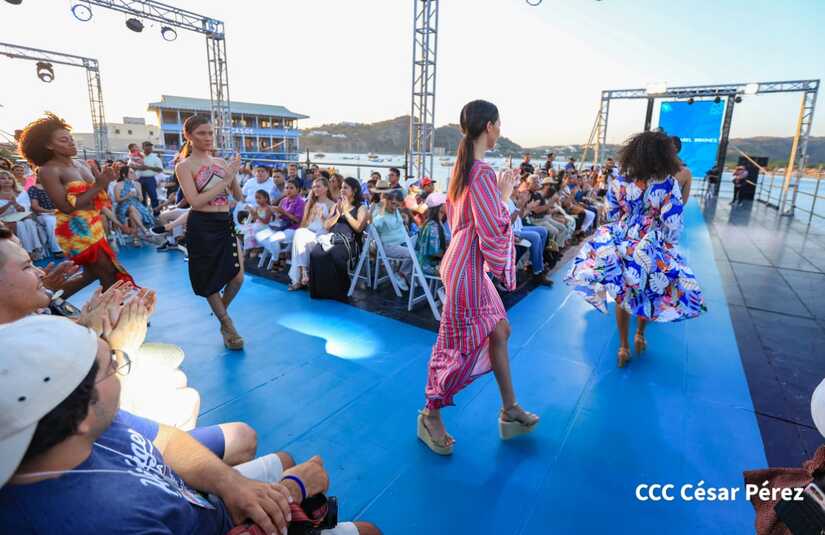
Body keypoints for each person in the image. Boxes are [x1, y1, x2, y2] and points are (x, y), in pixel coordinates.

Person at [0, 315, 380, 535]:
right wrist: (290, 491)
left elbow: (163, 440)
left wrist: (233, 485)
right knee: (368, 530)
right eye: (112, 366)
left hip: (201, 504)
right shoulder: (104, 521)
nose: (119, 370)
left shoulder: (66, 429)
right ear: (82, 413)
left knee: (283, 458)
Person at [418, 100, 539, 456]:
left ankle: (510, 408)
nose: (500, 130)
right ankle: (430, 414)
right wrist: (505, 197)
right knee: (458, 346)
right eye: (498, 124)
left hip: (462, 264)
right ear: (488, 126)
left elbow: (468, 224)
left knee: (500, 330)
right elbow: (491, 229)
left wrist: (499, 197)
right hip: (468, 269)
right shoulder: (482, 172)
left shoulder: (462, 170)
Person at [565, 130, 706, 368]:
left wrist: (625, 226)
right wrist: (667, 245)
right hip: (651, 242)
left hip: (623, 240)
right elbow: (673, 222)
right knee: (647, 292)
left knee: (623, 294)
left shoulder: (620, 182)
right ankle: (640, 334)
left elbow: (610, 214)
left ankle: (623, 347)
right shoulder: (668, 183)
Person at [18, 113, 134, 292]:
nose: (71, 143)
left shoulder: (81, 164)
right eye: (64, 140)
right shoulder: (48, 170)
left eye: (71, 138)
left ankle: (47, 298)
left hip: (94, 225)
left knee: (92, 273)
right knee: (109, 273)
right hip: (75, 229)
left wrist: (107, 179)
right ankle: (116, 308)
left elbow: (98, 196)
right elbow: (65, 207)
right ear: (48, 145)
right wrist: (99, 184)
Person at [175, 115, 245, 350]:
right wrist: (225, 179)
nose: (207, 138)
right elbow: (195, 202)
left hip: (224, 223)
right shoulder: (184, 166)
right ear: (188, 136)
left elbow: (238, 196)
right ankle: (227, 324)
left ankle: (221, 313)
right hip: (202, 225)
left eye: (210, 133)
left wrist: (233, 174)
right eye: (201, 133)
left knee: (237, 277)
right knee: (209, 279)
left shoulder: (220, 162)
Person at [308, 177, 368, 301]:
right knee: (315, 253)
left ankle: (341, 289)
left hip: (350, 242)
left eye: (345, 188)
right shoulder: (336, 205)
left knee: (334, 254)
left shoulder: (361, 207)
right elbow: (326, 226)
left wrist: (346, 212)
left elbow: (359, 228)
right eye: (341, 188)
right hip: (333, 238)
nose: (342, 190)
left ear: (354, 190)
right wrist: (337, 215)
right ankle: (320, 290)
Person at [288, 177, 334, 290]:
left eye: (318, 186)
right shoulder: (310, 203)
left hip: (322, 235)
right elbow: (305, 224)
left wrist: (322, 216)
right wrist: (311, 216)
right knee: (299, 233)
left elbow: (330, 227)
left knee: (299, 237)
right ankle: (304, 272)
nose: (315, 189)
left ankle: (298, 279)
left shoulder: (332, 204)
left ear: (326, 188)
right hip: (308, 233)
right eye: (313, 187)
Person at [371, 188, 412, 291]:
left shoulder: (395, 211)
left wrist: (403, 219)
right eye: (393, 204)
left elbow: (404, 192)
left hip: (399, 243)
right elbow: (374, 225)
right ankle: (401, 274)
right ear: (387, 200)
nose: (395, 207)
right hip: (387, 246)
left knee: (418, 250)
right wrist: (381, 211)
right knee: (412, 254)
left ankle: (406, 275)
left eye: (397, 205)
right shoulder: (380, 213)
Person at [0, 169, 43, 259]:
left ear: (13, 181)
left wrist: (16, 204)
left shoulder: (22, 193)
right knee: (20, 224)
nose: (7, 180)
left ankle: (35, 249)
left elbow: (25, 209)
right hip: (4, 220)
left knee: (28, 222)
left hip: (22, 217)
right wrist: (9, 204)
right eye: (3, 178)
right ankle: (27, 252)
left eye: (9, 178)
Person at [114, 165, 155, 244]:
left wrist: (138, 194)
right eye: (131, 172)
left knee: (132, 212)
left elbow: (141, 199)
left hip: (136, 205)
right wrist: (127, 196)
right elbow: (117, 200)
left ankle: (136, 237)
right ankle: (144, 230)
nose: (133, 174)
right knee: (131, 208)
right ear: (124, 174)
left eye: (133, 172)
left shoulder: (137, 184)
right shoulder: (118, 185)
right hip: (123, 206)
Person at [415, 191, 450, 277]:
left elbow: (445, 241)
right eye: (446, 203)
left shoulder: (438, 222)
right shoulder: (432, 226)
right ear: (440, 207)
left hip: (434, 262)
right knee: (455, 272)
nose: (448, 205)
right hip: (429, 265)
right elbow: (434, 252)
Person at [26, 175, 63, 257]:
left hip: (58, 211)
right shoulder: (33, 189)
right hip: (43, 214)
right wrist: (49, 211)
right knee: (51, 221)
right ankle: (57, 250)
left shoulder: (53, 187)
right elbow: (35, 206)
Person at [130, 141, 164, 209]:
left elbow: (160, 169)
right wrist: (138, 167)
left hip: (150, 179)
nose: (149, 147)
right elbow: (130, 165)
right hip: (139, 179)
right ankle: (143, 213)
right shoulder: (137, 156)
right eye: (147, 146)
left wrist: (148, 167)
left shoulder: (155, 158)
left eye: (150, 146)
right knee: (141, 198)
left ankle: (156, 213)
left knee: (153, 197)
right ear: (143, 147)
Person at [242, 189, 273, 257]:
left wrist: (257, 216)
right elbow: (254, 219)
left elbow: (266, 222)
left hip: (265, 227)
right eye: (256, 198)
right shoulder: (256, 207)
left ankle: (255, 248)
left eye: (259, 198)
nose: (257, 200)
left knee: (252, 230)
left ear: (266, 199)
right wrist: (252, 212)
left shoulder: (268, 208)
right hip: (257, 225)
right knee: (242, 230)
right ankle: (247, 248)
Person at [670, 136, 692, 203]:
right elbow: (683, 201)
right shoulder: (686, 172)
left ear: (675, 149)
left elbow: (684, 200)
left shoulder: (685, 172)